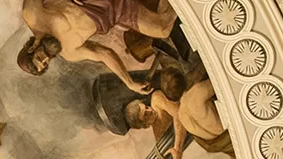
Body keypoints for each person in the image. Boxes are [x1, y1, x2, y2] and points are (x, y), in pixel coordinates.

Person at [18, 0, 177, 92]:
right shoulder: (69, 53)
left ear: (31, 48)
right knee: (162, 28)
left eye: (40, 58)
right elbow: (104, 54)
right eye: (45, 64)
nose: (46, 58)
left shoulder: (32, 15)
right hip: (117, 11)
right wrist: (129, 83)